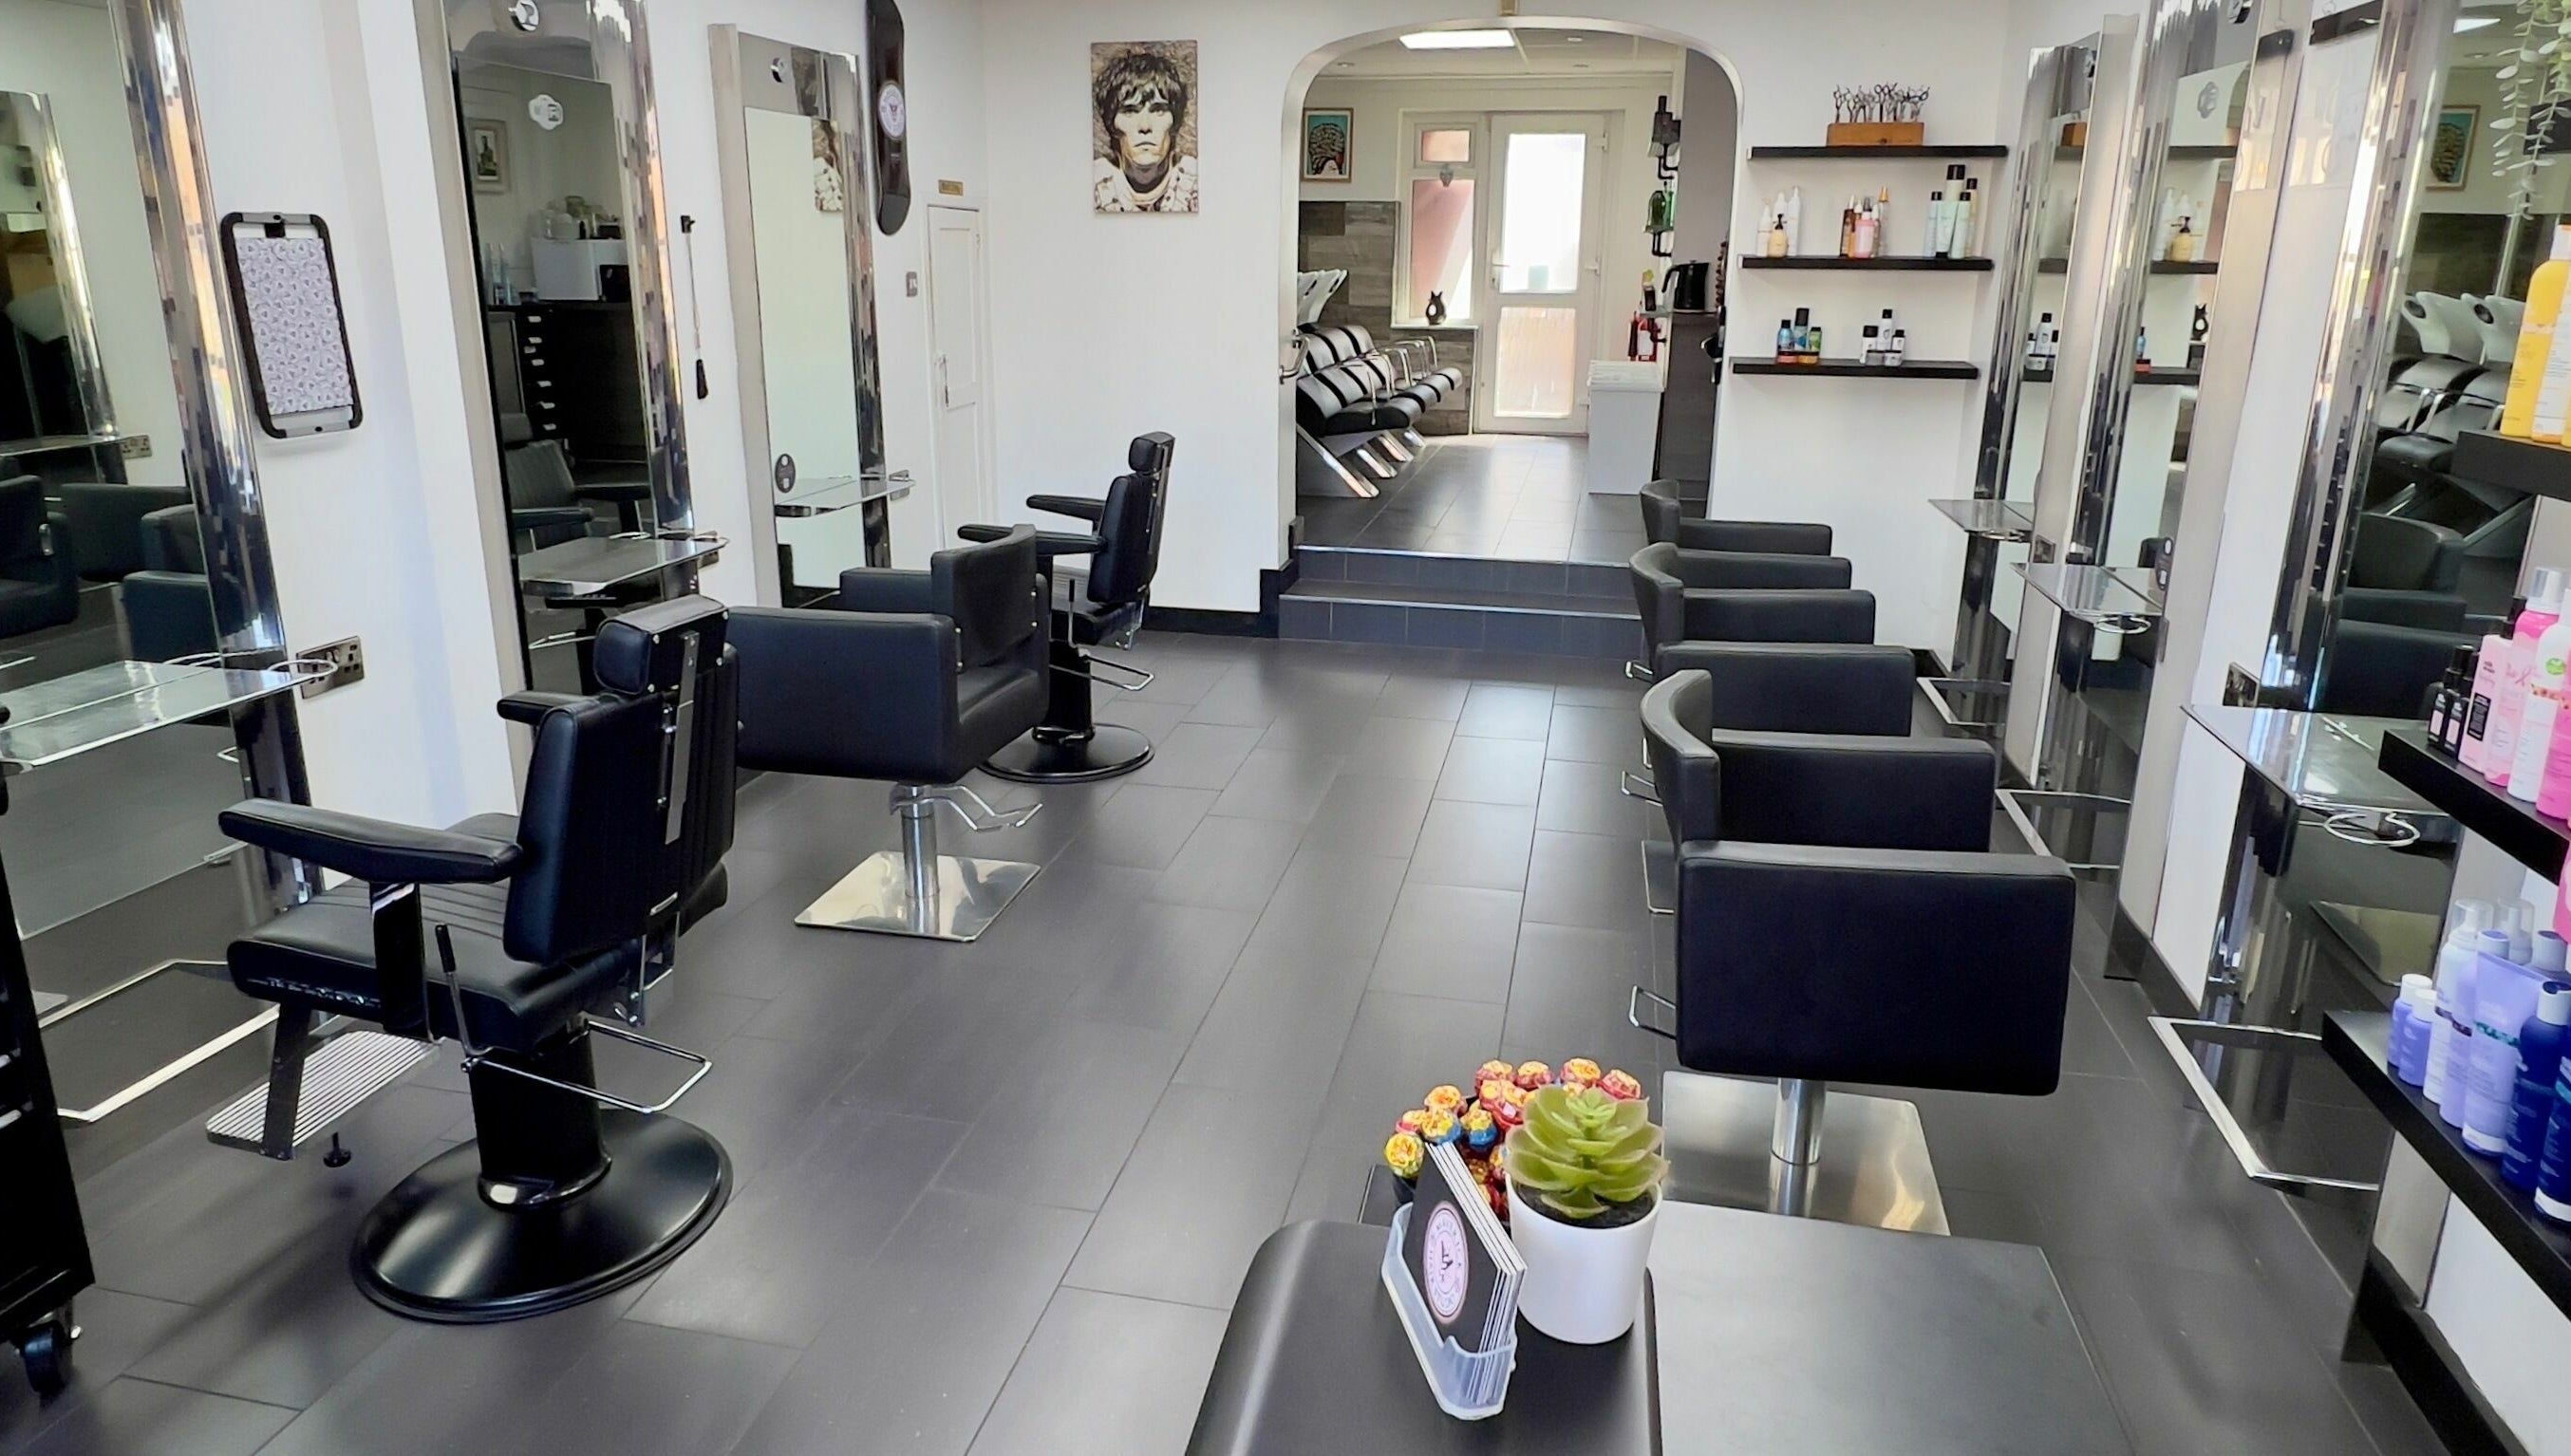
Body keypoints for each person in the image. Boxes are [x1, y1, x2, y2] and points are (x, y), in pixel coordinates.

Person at [1093, 47, 1198, 214]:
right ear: (1112, 124)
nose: (1145, 126)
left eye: (1159, 110)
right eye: (1130, 111)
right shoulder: (1094, 183)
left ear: (1174, 121)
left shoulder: (1196, 181)